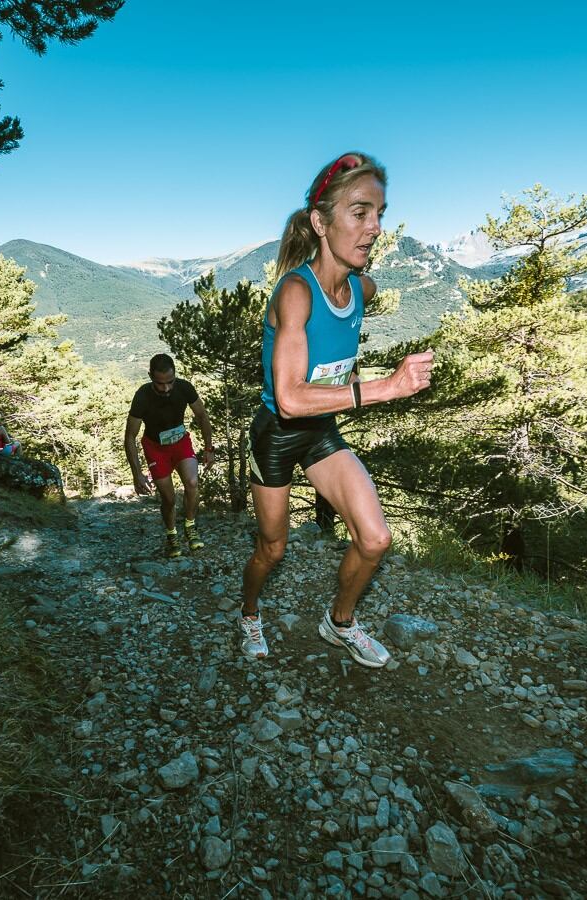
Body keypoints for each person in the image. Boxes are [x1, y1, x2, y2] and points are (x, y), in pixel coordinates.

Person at [237, 152, 433, 665]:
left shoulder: (359, 285)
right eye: (359, 212)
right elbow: (290, 397)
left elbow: (366, 293)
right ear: (321, 222)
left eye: (379, 214)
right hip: (278, 432)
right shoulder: (296, 292)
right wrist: (385, 387)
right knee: (272, 549)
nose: (374, 228)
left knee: (374, 539)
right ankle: (250, 613)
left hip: (320, 431)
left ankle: (339, 622)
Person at [125, 354, 217, 558]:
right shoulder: (142, 396)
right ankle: (171, 535)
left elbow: (202, 415)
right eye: (160, 384)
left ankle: (190, 526)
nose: (166, 388)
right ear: (150, 377)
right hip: (155, 448)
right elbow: (130, 436)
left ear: (175, 376)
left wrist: (209, 449)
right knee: (169, 498)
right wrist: (137, 474)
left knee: (192, 482)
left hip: (180, 443)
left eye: (170, 382)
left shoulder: (184, 388)